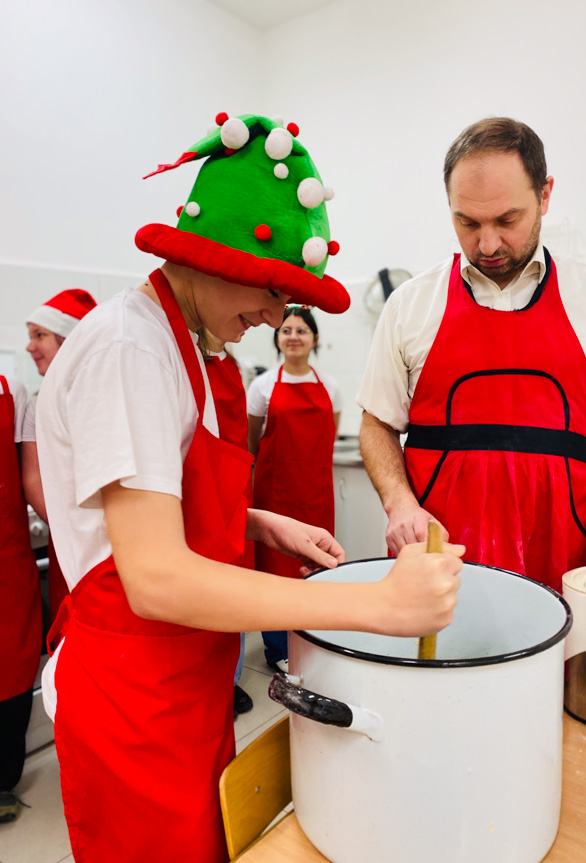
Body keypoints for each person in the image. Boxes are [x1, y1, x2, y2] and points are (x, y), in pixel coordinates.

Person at [36, 112, 463, 863]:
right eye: (269, 290)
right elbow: (156, 577)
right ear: (209, 258)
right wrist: (371, 604)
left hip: (187, 672)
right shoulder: (130, 349)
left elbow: (157, 500)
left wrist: (259, 520)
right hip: (131, 687)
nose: (274, 316)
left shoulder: (193, 347)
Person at [358, 117, 586, 594]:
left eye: (507, 220)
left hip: (562, 557)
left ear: (545, 195)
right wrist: (399, 504)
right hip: (438, 561)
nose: (487, 244)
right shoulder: (411, 303)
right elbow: (376, 423)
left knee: (549, 668)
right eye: (467, 223)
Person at [248, 305, 341, 672]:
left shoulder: (330, 387)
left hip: (316, 492)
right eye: (286, 330)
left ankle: (311, 640)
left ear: (314, 339)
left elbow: (328, 438)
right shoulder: (262, 386)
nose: (294, 336)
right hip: (275, 494)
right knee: (275, 571)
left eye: (301, 330)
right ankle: (277, 649)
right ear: (277, 338)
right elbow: (253, 443)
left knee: (316, 565)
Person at [22, 289, 98, 623]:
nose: (29, 347)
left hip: (128, 534)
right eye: (30, 336)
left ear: (69, 341)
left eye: (40, 335)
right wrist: (76, 528)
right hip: (69, 536)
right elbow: (34, 480)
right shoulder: (35, 404)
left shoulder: (108, 392)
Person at [198, 327, 254, 718]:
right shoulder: (189, 366)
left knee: (239, 586)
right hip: (207, 492)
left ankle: (229, 680)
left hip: (237, 491)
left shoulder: (236, 366)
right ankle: (214, 681)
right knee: (212, 591)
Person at [0, 374, 41, 823]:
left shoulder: (15, 391)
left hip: (6, 556)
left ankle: (2, 780)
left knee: (12, 665)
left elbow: (30, 476)